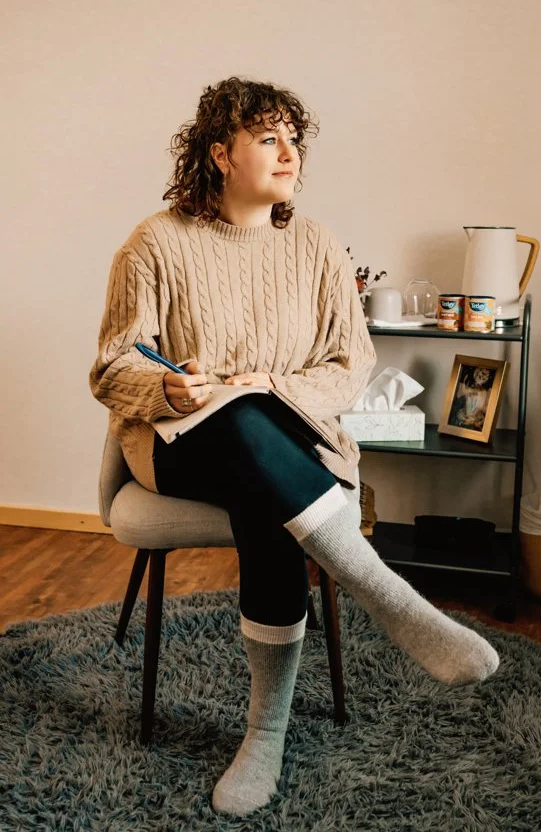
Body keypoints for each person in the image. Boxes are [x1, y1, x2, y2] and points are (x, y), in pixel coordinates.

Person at [90, 76, 499, 817]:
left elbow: (352, 364)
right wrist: (170, 390)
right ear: (220, 152)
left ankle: (265, 733)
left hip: (281, 445)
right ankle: (388, 596)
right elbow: (115, 363)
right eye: (268, 138)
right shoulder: (154, 244)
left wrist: (270, 384)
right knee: (244, 431)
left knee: (263, 471)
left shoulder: (314, 245)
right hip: (178, 446)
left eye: (294, 139)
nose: (289, 153)